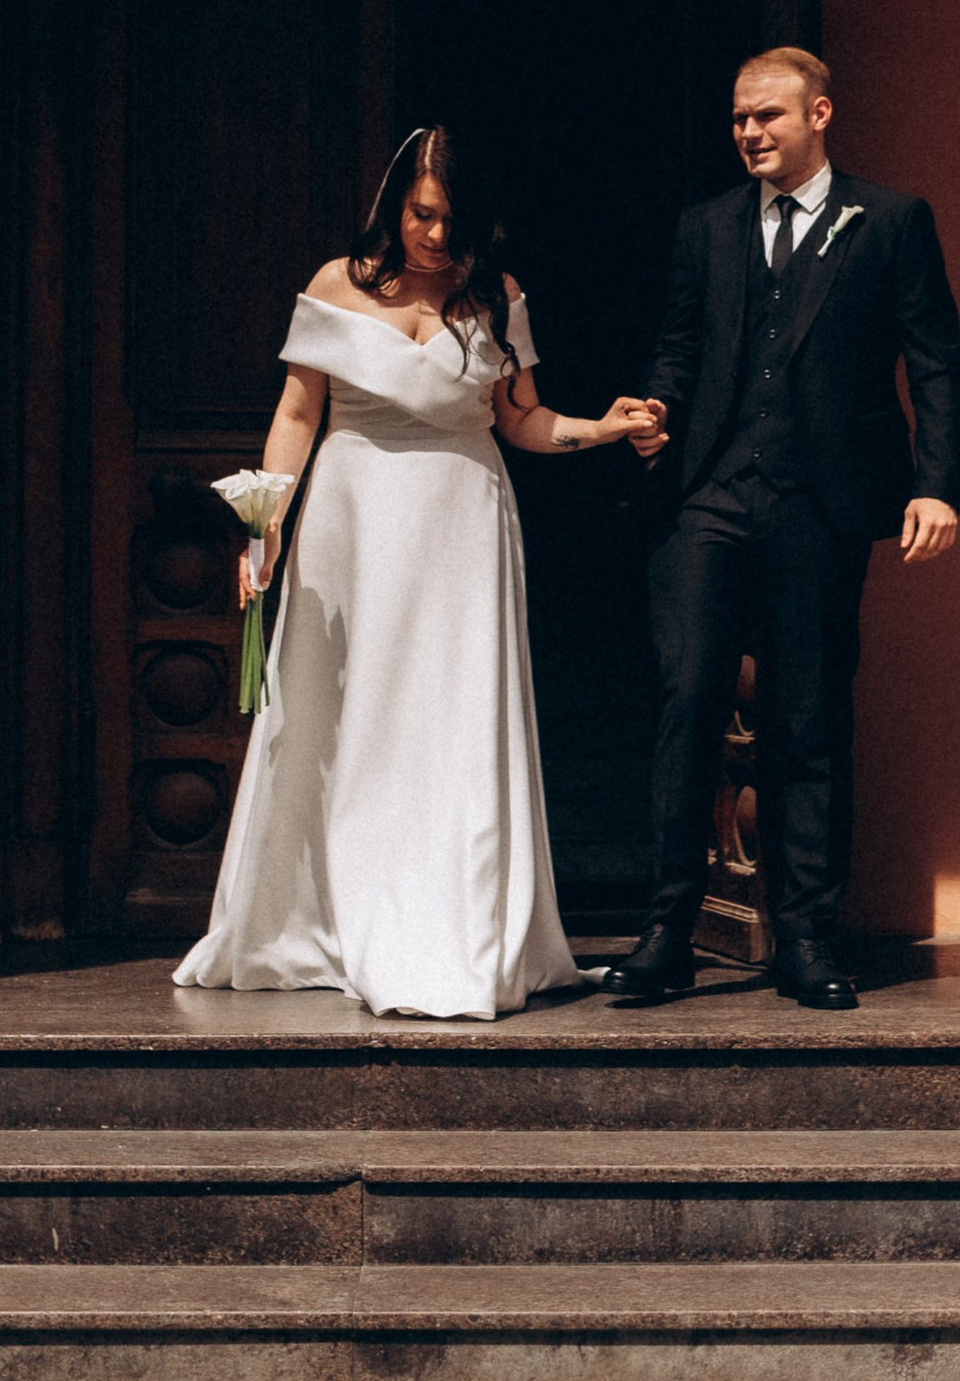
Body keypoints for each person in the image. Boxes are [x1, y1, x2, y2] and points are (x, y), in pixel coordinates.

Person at [175, 122, 657, 1022]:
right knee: (346, 713)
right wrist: (263, 526)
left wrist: (602, 427)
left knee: (451, 717)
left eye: (450, 220)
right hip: (354, 520)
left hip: (462, 522)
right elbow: (297, 412)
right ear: (394, 204)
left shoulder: (496, 295)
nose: (434, 235)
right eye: (421, 214)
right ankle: (329, 916)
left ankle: (451, 926)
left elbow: (522, 418)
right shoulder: (337, 283)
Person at [607, 44, 960, 1016]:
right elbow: (681, 344)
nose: (749, 132)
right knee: (688, 698)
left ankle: (807, 935)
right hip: (709, 497)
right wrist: (656, 407)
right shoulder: (707, 226)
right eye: (738, 117)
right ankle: (668, 932)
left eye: (766, 114)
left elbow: (935, 363)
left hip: (820, 504)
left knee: (807, 715)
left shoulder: (889, 220)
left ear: (819, 114)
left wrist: (936, 487)